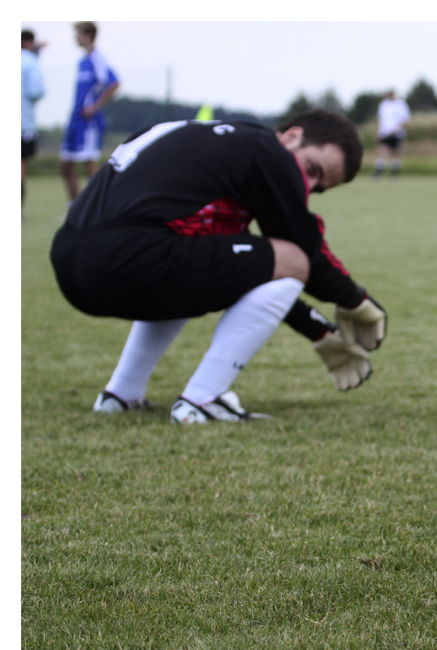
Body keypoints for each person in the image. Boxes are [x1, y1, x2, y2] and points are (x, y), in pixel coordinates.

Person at [50, 109, 387, 424]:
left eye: (319, 188)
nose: (308, 187)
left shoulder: (202, 140)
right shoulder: (263, 148)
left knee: (190, 258)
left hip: (71, 262)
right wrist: (355, 300)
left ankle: (120, 395)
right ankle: (202, 400)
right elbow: (302, 252)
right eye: (312, 170)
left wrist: (314, 328)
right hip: (128, 257)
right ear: (291, 136)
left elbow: (241, 272)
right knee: (292, 257)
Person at [59, 21, 120, 203]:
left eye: (77, 33)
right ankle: (75, 208)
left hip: (89, 122)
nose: (75, 37)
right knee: (64, 165)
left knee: (89, 164)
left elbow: (114, 83)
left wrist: (94, 107)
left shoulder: (97, 58)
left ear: (87, 35)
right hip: (75, 120)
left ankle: (96, 209)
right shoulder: (82, 61)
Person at [21, 29, 46, 205]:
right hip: (23, 123)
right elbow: (36, 91)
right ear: (29, 42)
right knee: (20, 167)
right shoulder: (30, 62)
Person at [373, 89, 411, 178]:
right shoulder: (383, 104)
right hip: (384, 133)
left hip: (397, 133)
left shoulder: (401, 104)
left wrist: (396, 129)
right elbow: (380, 119)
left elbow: (406, 120)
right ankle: (379, 172)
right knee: (382, 152)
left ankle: (394, 173)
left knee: (396, 153)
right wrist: (378, 131)